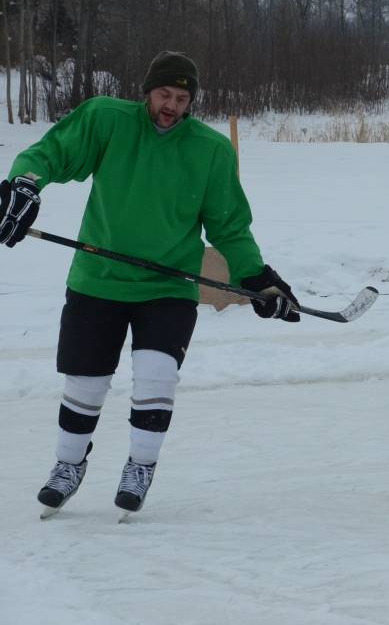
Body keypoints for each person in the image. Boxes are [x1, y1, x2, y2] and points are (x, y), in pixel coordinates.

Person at [1, 51, 300, 518]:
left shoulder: (210, 150)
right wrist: (24, 183)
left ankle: (140, 466)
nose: (172, 105)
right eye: (164, 94)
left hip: (168, 287)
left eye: (182, 98)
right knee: (85, 383)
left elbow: (229, 227)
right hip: (98, 279)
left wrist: (258, 279)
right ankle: (68, 465)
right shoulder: (106, 119)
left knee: (156, 375)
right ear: (147, 91)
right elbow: (50, 154)